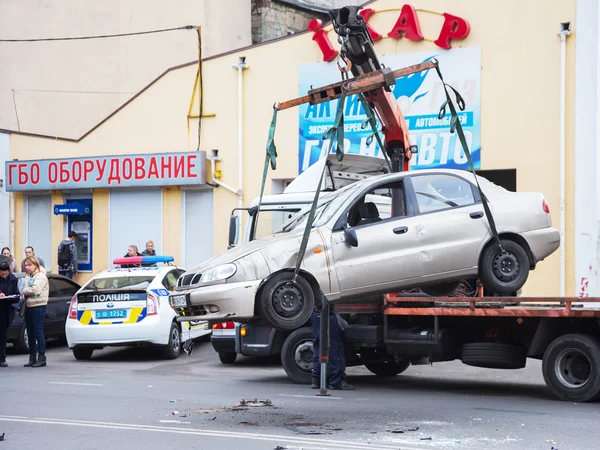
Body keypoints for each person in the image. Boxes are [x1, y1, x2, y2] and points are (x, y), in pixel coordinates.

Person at [311, 293, 354, 390]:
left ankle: (316, 379)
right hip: (328, 312)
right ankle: (336, 381)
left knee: (319, 344)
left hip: (316, 310)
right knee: (335, 347)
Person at [21, 256, 49, 368]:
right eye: (26, 265)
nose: (27, 267)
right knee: (30, 332)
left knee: (38, 332)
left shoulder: (40, 276)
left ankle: (42, 357)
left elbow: (36, 290)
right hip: (29, 305)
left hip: (38, 305)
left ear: (36, 265)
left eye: (29, 265)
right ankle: (32, 357)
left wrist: (24, 291)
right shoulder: (28, 276)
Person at [0, 262, 20, 367]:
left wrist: (13, 297)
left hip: (7, 308)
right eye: (2, 274)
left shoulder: (13, 279)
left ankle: (2, 358)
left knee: (3, 334)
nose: (4, 276)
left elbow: (16, 293)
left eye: (6, 274)